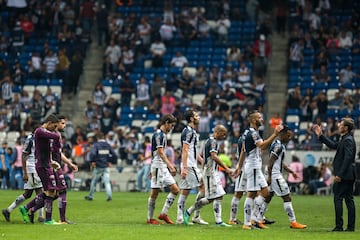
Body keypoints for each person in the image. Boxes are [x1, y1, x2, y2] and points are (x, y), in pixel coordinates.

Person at [20, 115, 78, 224]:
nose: (64, 126)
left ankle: (29, 208)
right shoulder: (47, 133)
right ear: (53, 123)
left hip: (52, 165)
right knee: (54, 192)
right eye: (62, 123)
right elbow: (51, 151)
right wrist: (53, 162)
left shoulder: (52, 135)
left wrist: (69, 163)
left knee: (53, 193)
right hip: (48, 165)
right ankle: (52, 219)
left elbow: (57, 152)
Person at [238, 110, 282, 230]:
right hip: (252, 166)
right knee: (251, 194)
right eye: (259, 117)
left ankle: (254, 219)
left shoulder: (251, 133)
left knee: (265, 193)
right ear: (253, 120)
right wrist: (274, 134)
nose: (262, 119)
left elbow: (243, 150)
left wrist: (239, 167)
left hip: (255, 167)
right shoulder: (253, 134)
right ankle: (247, 224)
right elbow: (262, 146)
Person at [183, 125, 233, 227]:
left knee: (219, 195)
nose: (224, 136)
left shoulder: (208, 141)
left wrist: (203, 171)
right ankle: (189, 211)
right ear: (218, 132)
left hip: (211, 172)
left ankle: (218, 221)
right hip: (210, 173)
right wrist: (226, 168)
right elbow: (214, 157)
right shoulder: (213, 142)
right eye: (223, 134)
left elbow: (204, 157)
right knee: (210, 198)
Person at [313, 118, 356, 232]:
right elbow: (333, 145)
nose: (338, 125)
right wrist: (321, 136)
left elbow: (347, 158)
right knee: (349, 200)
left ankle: (339, 226)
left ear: (346, 128)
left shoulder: (347, 140)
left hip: (344, 175)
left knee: (338, 198)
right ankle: (350, 227)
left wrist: (340, 174)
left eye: (341, 124)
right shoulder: (346, 139)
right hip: (349, 174)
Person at [18, 114, 61, 225]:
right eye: (54, 126)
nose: (55, 129)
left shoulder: (45, 134)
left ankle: (28, 208)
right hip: (41, 165)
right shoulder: (39, 131)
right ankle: (47, 219)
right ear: (50, 123)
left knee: (53, 192)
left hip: (46, 164)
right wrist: (57, 133)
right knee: (51, 192)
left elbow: (54, 147)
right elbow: (56, 137)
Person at [265, 125, 307, 229]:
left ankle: (258, 218)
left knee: (268, 197)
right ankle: (293, 222)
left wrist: (291, 171)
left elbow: (279, 162)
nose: (289, 138)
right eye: (288, 136)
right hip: (274, 174)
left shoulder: (278, 144)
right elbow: (270, 162)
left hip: (272, 173)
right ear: (282, 134)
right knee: (287, 197)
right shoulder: (278, 146)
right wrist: (270, 177)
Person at [2, 121, 44, 222]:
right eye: (42, 129)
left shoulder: (36, 139)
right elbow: (24, 155)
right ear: (37, 130)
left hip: (34, 168)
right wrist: (25, 172)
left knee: (28, 194)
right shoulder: (31, 140)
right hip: (32, 168)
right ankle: (39, 216)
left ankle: (8, 210)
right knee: (40, 192)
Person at [176, 110, 208, 225]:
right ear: (191, 119)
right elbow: (184, 149)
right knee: (204, 188)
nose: (198, 117)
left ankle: (180, 218)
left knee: (185, 191)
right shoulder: (189, 132)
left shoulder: (191, 131)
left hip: (189, 164)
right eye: (196, 116)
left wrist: (202, 160)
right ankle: (195, 215)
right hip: (189, 165)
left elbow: (191, 151)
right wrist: (184, 167)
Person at [146, 114, 178, 225]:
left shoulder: (162, 135)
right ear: (166, 123)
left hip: (161, 166)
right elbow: (160, 152)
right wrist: (170, 165)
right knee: (154, 193)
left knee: (175, 190)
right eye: (172, 125)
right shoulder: (159, 135)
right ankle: (150, 219)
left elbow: (154, 153)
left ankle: (163, 213)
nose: (172, 128)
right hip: (158, 166)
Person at [85, 132, 117, 201]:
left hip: (98, 166)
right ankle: (109, 196)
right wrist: (110, 161)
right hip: (106, 166)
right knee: (107, 182)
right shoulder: (108, 145)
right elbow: (114, 154)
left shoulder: (96, 145)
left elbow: (92, 154)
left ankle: (90, 196)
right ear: (104, 137)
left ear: (97, 138)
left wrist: (92, 161)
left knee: (94, 181)